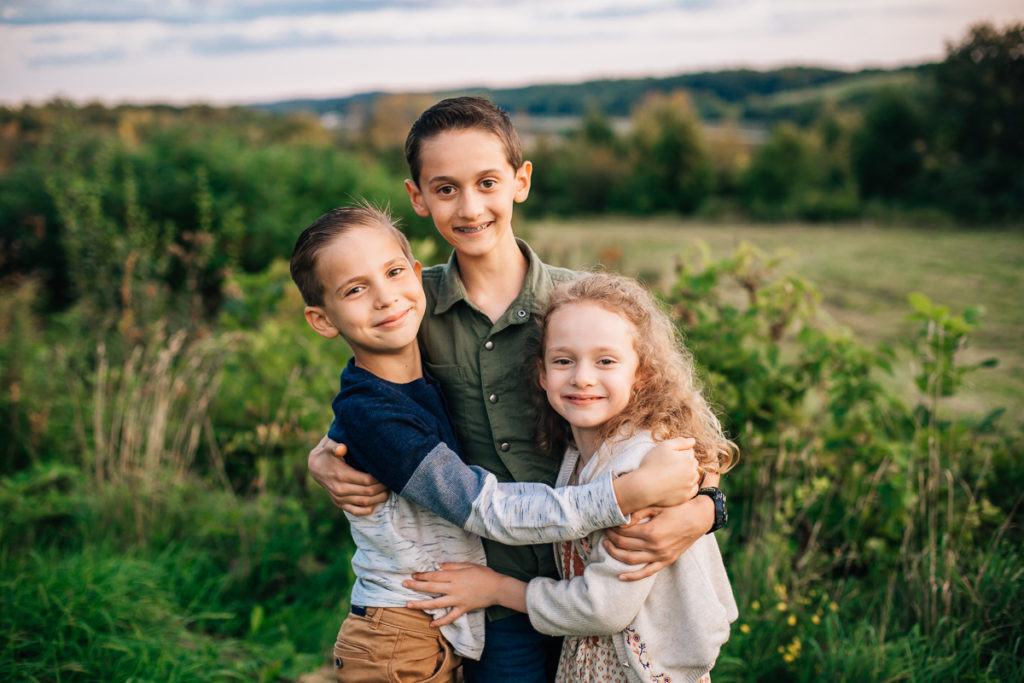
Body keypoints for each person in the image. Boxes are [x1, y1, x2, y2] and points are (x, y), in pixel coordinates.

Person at [307, 96, 726, 681]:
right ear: (418, 198)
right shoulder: (408, 306)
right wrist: (325, 457)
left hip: (600, 582)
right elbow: (372, 408)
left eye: (486, 182)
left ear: (520, 182)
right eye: (446, 188)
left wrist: (707, 509)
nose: (470, 206)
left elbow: (677, 431)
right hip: (491, 599)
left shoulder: (584, 307)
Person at [404, 273, 739, 682]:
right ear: (542, 375)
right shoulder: (579, 452)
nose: (582, 377)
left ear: (643, 374)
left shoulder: (640, 467)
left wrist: (494, 589)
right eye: (564, 361)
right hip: (601, 661)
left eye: (606, 361)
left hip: (642, 671)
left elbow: (603, 607)